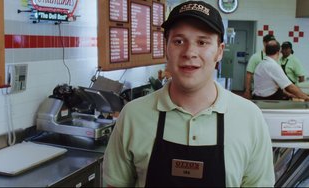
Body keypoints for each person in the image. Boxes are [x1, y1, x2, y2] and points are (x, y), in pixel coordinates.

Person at [103, 1, 275, 187]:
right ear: (166, 48)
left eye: (202, 42)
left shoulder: (250, 118)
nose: (189, 52)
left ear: (219, 51)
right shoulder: (133, 115)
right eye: (179, 41)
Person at [243, 34, 276, 99]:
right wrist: (247, 90)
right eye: (270, 42)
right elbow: (249, 74)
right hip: (259, 92)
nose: (272, 44)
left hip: (274, 92)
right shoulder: (255, 57)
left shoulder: (277, 57)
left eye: (273, 43)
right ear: (264, 43)